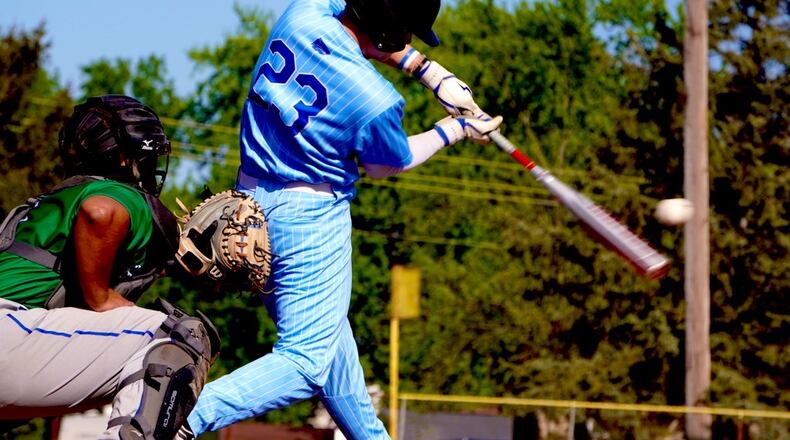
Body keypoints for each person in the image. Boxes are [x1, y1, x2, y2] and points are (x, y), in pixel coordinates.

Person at [184, 0, 502, 438]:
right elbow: (388, 164)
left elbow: (360, 20)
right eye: (406, 34)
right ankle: (182, 415)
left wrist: (430, 72)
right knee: (307, 361)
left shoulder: (301, 15)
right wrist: (456, 130)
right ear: (391, 33)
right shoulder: (375, 99)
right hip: (308, 219)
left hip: (248, 199)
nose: (408, 42)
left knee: (334, 359)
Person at [0, 95, 220, 440]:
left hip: (15, 338)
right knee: (176, 337)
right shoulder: (115, 192)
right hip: (6, 334)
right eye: (146, 158)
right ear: (123, 158)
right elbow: (100, 211)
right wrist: (100, 298)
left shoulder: (47, 205)